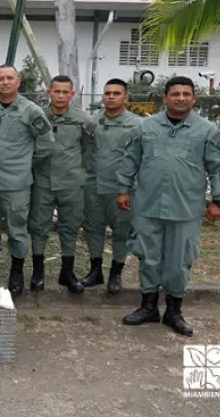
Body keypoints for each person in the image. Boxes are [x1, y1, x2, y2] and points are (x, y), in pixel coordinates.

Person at [117, 76, 220, 336]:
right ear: (165, 98)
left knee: (179, 261)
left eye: (186, 94)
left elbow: (219, 167)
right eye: (175, 94)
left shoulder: (207, 131)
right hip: (148, 204)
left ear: (194, 98)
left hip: (185, 208)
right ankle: (147, 307)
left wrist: (218, 200)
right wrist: (123, 189)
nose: (181, 98)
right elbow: (130, 160)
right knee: (148, 256)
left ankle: (173, 311)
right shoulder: (145, 127)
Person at [0, 65, 52, 295]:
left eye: (10, 78)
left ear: (18, 83)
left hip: (16, 183)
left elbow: (46, 143)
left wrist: (25, 162)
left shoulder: (31, 110)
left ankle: (16, 272)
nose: (5, 82)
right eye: (1, 79)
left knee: (16, 229)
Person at [27, 75, 95, 294]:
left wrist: (80, 171)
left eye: (66, 92)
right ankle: (38, 272)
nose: (61, 96)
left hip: (71, 182)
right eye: (56, 91)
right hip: (42, 181)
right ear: (49, 93)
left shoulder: (82, 119)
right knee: (38, 227)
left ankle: (67, 272)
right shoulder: (38, 116)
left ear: (72, 95)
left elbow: (88, 148)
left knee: (70, 227)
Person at [81, 78, 142, 293]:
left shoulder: (137, 125)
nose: (111, 97)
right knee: (93, 229)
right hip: (94, 186)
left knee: (121, 232)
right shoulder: (92, 121)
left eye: (116, 93)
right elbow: (85, 150)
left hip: (121, 189)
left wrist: (131, 188)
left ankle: (116, 273)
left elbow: (141, 159)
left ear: (126, 97)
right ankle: (95, 270)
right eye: (107, 93)